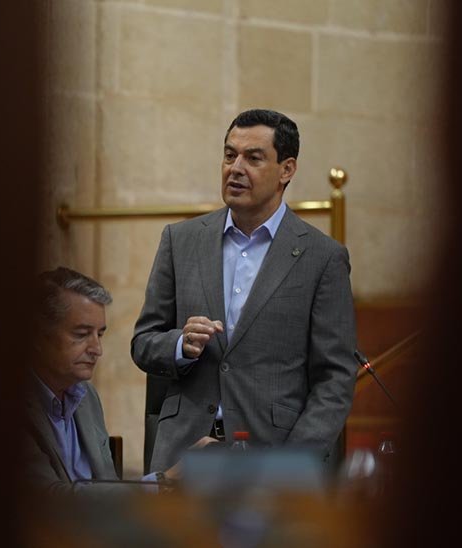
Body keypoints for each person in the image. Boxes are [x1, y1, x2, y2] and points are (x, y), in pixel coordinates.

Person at [131, 109, 358, 474]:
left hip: (271, 457)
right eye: (229, 154)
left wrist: (292, 463)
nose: (235, 168)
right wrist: (180, 346)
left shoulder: (323, 257)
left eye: (253, 158)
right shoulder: (181, 240)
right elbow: (143, 343)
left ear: (287, 170)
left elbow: (334, 377)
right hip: (181, 456)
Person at [24, 267, 217, 493]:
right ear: (37, 335)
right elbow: (52, 500)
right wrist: (165, 480)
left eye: (100, 334)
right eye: (81, 334)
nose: (97, 349)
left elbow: (108, 486)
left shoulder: (85, 396)